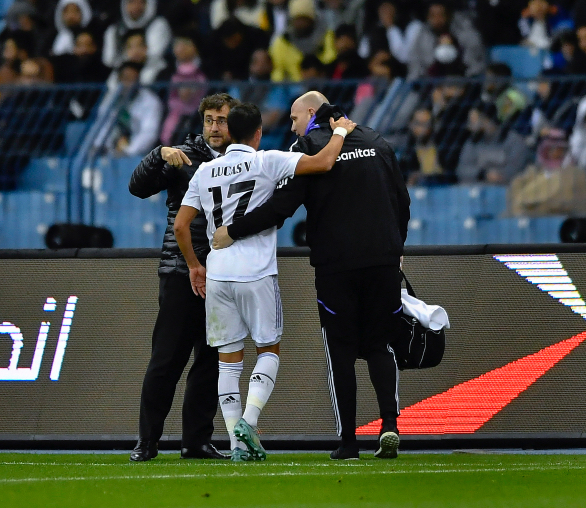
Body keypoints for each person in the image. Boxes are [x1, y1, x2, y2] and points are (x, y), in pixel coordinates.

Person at [213, 91, 410, 460]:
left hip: (336, 266)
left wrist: (233, 231)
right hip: (383, 261)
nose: (291, 126)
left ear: (310, 113)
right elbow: (402, 200)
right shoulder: (375, 139)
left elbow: (280, 207)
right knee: (381, 345)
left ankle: (349, 441)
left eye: (293, 118)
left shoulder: (306, 148)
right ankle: (389, 426)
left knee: (341, 352)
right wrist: (396, 248)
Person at [175, 101, 358, 461]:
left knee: (228, 359)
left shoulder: (205, 171)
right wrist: (340, 132)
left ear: (228, 133)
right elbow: (323, 162)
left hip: (217, 272)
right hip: (256, 271)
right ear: (257, 132)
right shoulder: (266, 160)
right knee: (268, 349)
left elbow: (181, 225)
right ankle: (249, 419)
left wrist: (195, 265)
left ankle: (235, 444)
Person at [127, 93, 237, 462]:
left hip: (224, 276)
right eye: (209, 120)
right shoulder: (183, 156)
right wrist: (158, 152)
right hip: (180, 270)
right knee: (166, 360)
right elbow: (137, 187)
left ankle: (196, 442)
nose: (215, 127)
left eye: (221, 120)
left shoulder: (244, 160)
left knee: (209, 362)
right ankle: (147, 442)